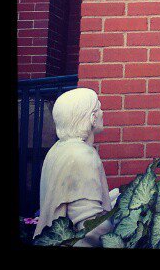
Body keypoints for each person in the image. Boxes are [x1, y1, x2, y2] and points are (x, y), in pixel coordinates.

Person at [34, 88, 118, 247]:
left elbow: (74, 203)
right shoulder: (83, 156)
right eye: (99, 108)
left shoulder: (58, 149)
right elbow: (91, 229)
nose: (102, 113)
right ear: (92, 118)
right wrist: (119, 223)